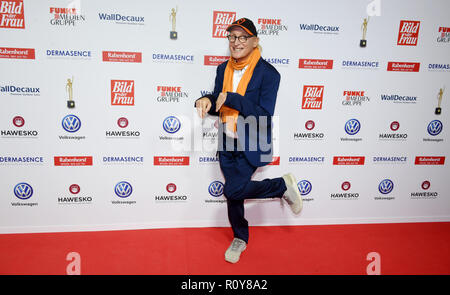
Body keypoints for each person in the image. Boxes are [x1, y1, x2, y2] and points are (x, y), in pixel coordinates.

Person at [195, 18, 303, 264]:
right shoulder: (223, 69)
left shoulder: (269, 73)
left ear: (255, 41)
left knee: (232, 189)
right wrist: (205, 101)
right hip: (226, 140)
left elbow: (264, 115)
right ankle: (240, 237)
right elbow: (217, 102)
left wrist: (231, 98)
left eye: (243, 37)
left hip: (251, 142)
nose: (236, 42)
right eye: (232, 37)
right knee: (235, 194)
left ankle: (280, 185)